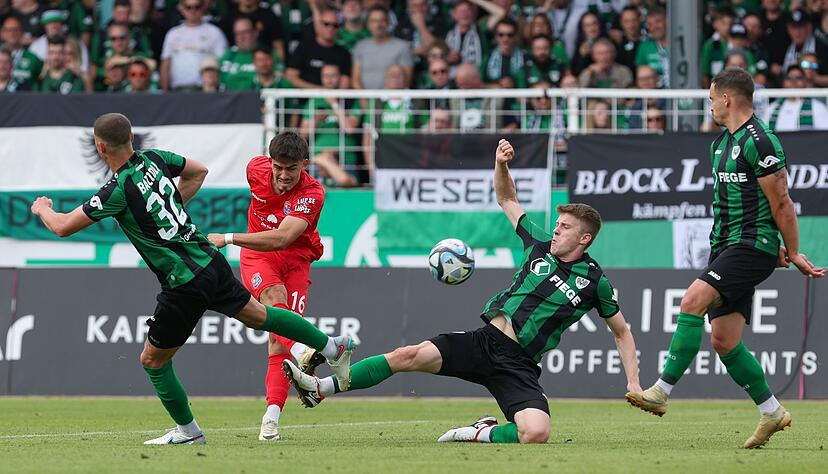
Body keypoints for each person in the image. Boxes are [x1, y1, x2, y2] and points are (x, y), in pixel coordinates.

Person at [283, 139, 642, 444]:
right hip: (484, 342)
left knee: (536, 434)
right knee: (407, 355)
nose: (557, 230)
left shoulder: (595, 282)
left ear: (585, 238)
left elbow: (622, 332)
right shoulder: (538, 243)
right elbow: (507, 199)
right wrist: (500, 164)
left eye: (565, 227)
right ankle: (320, 389)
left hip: (519, 365)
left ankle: (478, 433)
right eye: (558, 224)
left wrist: (633, 383)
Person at [29, 113, 357, 445]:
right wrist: (171, 207)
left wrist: (42, 208)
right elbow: (198, 170)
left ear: (100, 147)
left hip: (183, 282)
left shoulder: (117, 190)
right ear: (132, 137)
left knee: (153, 361)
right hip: (210, 261)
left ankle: (188, 431)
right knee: (264, 317)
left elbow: (62, 226)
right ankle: (332, 346)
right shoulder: (156, 159)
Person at [626, 68, 826, 449]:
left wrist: (791, 250)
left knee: (691, 301)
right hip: (728, 246)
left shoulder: (761, 141)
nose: (711, 105)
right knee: (723, 340)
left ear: (727, 99)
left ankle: (662, 390)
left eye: (711, 98)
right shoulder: (719, 144)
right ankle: (772, 411)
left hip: (750, 246)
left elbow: (781, 201)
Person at [206, 132, 326, 442]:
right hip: (259, 256)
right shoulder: (254, 169)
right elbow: (269, 243)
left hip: (297, 258)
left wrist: (229, 238)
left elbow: (284, 238)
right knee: (275, 300)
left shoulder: (312, 193)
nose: (284, 176)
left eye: (292, 169)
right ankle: (302, 349)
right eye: (278, 168)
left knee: (276, 342)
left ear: (304, 165)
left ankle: (271, 417)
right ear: (269, 163)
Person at [159, 0, 227, 91]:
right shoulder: (172, 34)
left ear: (203, 8)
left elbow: (223, 62)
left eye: (197, 7)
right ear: (182, 9)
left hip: (206, 90)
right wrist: (164, 91)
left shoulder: (215, 32)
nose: (193, 10)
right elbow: (166, 64)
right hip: (177, 90)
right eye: (188, 7)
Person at [352, 6, 413, 89]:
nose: (378, 25)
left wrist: (391, 101)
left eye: (382, 20)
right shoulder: (360, 46)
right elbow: (356, 80)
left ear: (388, 23)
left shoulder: (402, 47)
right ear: (368, 24)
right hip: (365, 99)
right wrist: (364, 101)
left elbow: (406, 81)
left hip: (392, 100)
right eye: (374, 21)